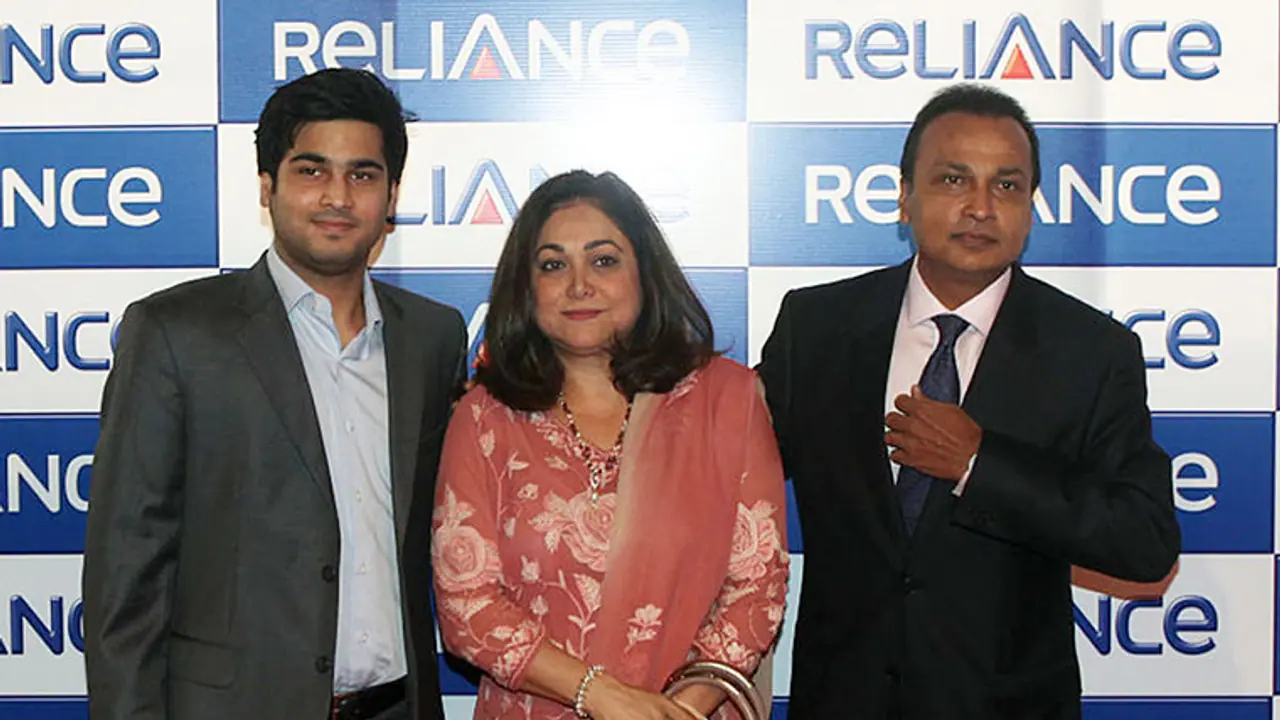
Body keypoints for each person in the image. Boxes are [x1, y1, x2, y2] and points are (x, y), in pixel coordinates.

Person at [757, 84, 1180, 719]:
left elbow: (1144, 541)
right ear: (904, 197)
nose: (981, 207)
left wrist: (980, 466)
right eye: (954, 179)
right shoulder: (816, 328)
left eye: (1007, 186)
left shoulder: (1092, 352)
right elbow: (722, 471)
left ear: (1030, 209)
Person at [82, 68, 465, 720]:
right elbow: (127, 574)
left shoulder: (432, 337)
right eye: (312, 171)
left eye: (363, 174)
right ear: (267, 187)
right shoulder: (175, 333)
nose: (337, 196)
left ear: (392, 195)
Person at [431, 170, 789, 719]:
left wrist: (674, 712)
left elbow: (756, 587)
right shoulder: (484, 418)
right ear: (526, 288)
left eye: (603, 260)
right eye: (553, 265)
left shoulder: (728, 401)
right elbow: (467, 606)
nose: (579, 285)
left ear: (645, 274)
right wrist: (602, 697)